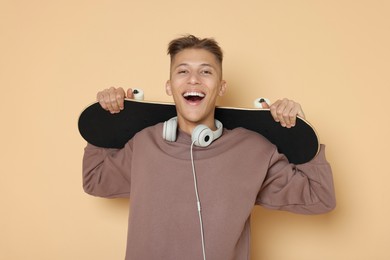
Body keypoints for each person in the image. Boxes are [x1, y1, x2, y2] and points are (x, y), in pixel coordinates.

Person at [83, 35, 336, 260]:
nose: (193, 79)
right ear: (170, 86)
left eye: (206, 72)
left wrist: (302, 135)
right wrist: (106, 123)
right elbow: (95, 180)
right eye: (182, 71)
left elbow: (320, 198)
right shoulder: (144, 143)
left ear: (221, 87)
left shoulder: (254, 150)